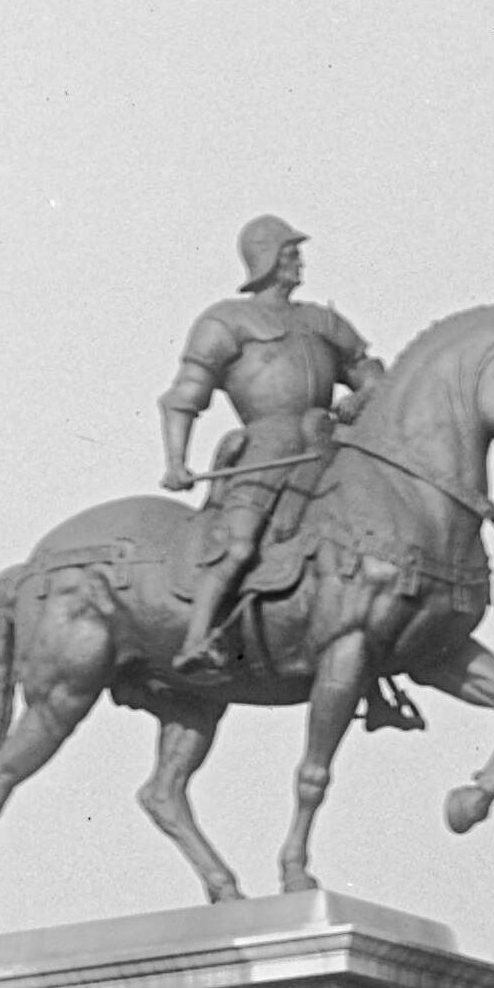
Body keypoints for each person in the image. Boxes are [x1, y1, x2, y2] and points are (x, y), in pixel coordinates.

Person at [158, 218, 384, 672]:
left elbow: (373, 375)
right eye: (290, 255)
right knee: (239, 546)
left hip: (329, 443)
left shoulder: (323, 321)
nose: (300, 263)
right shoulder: (226, 321)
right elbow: (183, 397)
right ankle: (196, 638)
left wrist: (361, 399)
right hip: (266, 447)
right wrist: (176, 462)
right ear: (266, 260)